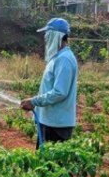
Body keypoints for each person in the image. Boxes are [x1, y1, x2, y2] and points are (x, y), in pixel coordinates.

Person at [21, 18, 79, 148]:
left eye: (48, 35)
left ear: (56, 36)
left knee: (50, 166)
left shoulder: (64, 60)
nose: (45, 38)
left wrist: (34, 101)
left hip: (56, 126)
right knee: (42, 164)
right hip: (49, 122)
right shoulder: (57, 58)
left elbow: (59, 92)